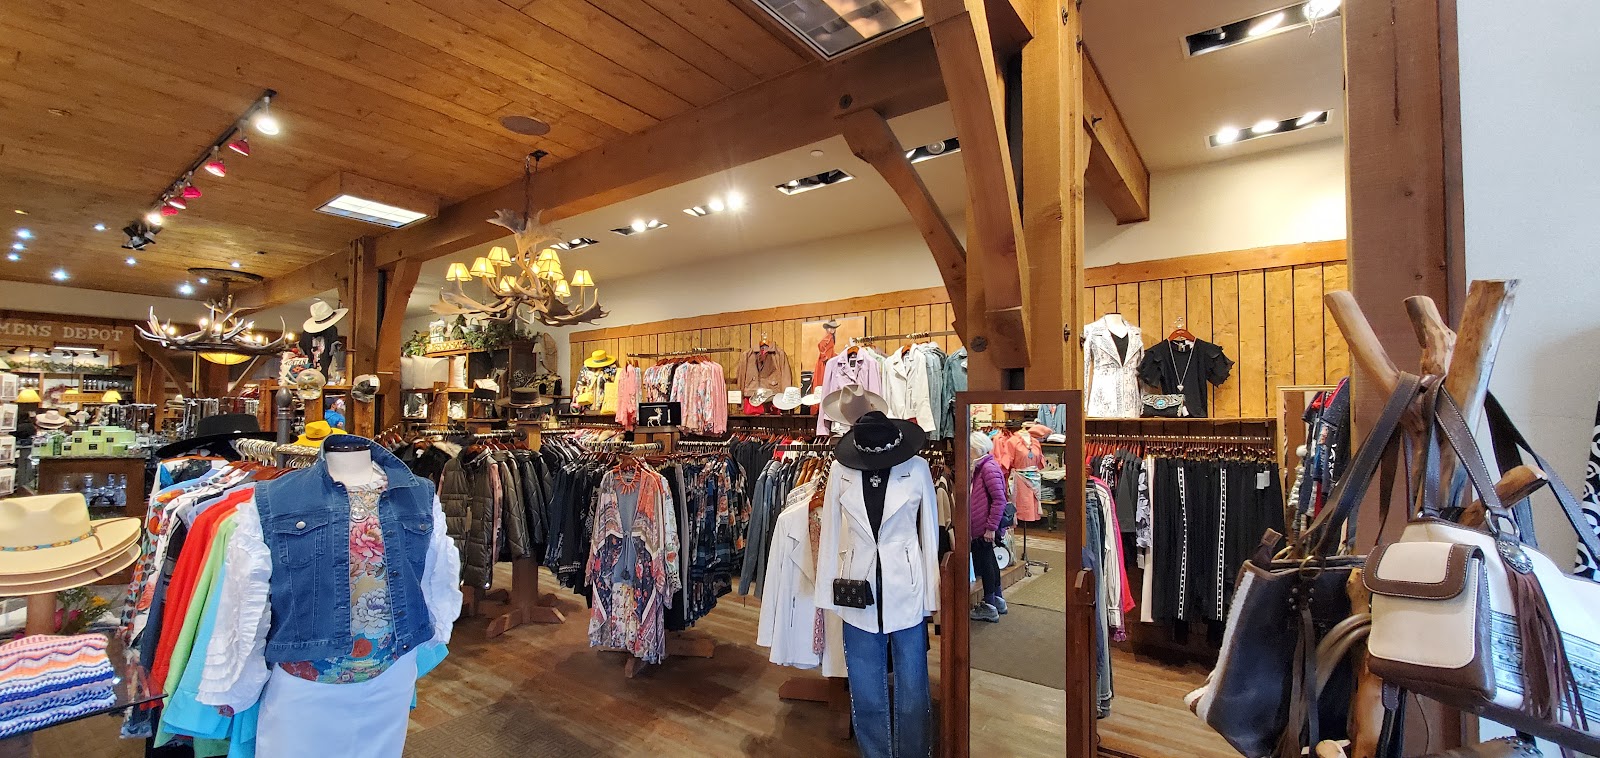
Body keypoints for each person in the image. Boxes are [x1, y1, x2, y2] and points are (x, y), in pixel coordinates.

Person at [969, 433, 1009, 622]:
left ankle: (990, 604)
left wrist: (991, 527)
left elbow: (999, 499)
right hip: (983, 524)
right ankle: (996, 600)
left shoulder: (987, 468)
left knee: (986, 562)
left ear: (976, 449)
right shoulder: (984, 467)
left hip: (984, 526)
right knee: (990, 561)